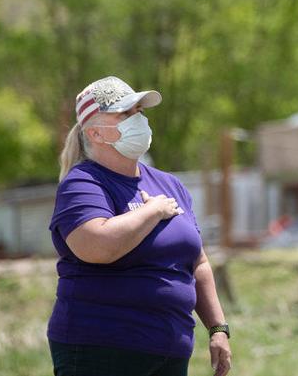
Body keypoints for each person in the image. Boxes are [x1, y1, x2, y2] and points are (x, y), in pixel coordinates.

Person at [48, 76, 233, 376]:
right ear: (95, 132)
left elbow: (197, 261)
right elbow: (98, 247)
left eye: (140, 112)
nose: (139, 120)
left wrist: (218, 328)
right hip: (102, 350)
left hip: (169, 352)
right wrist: (153, 212)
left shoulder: (169, 184)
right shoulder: (83, 183)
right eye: (125, 113)